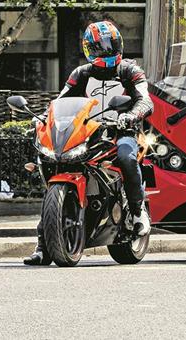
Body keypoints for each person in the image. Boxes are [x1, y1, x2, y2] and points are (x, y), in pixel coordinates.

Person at [24, 20, 154, 266]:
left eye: (110, 45)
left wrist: (130, 115)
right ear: (87, 49)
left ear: (119, 44)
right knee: (53, 164)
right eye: (98, 47)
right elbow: (59, 102)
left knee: (127, 157)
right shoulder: (81, 74)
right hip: (90, 134)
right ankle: (44, 245)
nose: (105, 51)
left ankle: (137, 214)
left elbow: (146, 101)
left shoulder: (130, 70)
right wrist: (42, 119)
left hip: (122, 132)